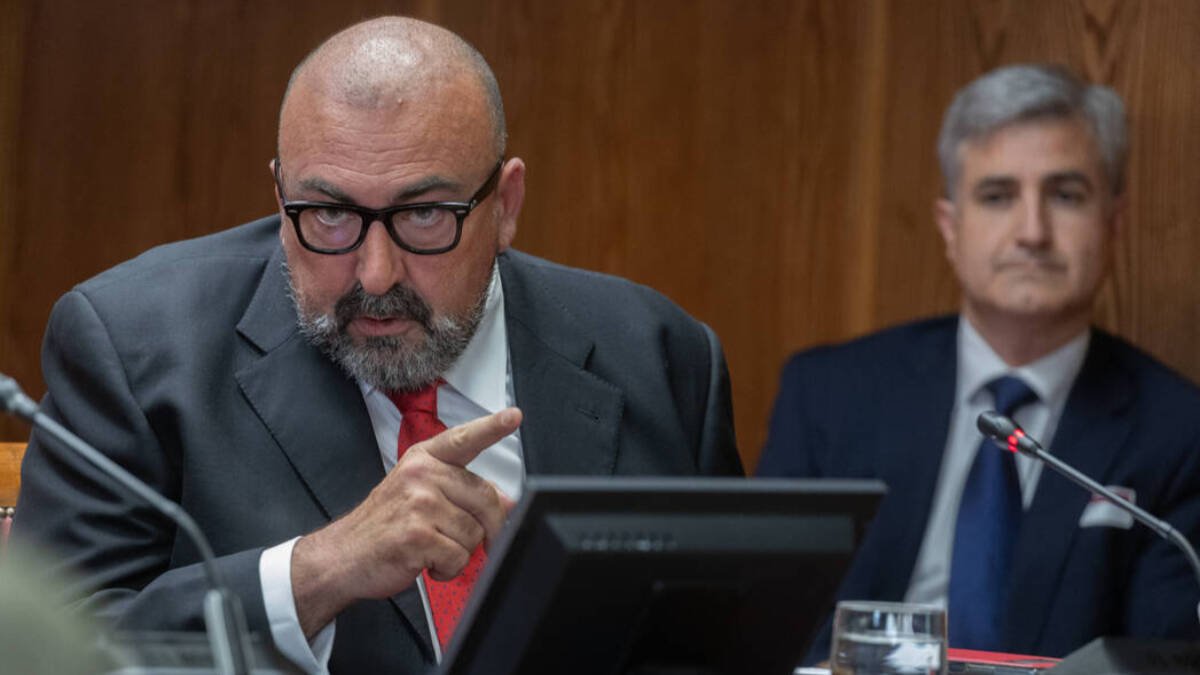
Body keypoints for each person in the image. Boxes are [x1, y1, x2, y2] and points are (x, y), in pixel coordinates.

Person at [12, 16, 741, 673]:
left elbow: (734, 634)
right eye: (328, 214)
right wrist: (320, 571)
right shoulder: (135, 348)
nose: (375, 272)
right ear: (279, 197)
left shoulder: (661, 356)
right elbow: (47, 651)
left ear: (506, 205)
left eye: (425, 214)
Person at [758, 63, 1200, 661]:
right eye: (998, 196)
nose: (1032, 232)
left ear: (1114, 224)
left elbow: (1157, 658)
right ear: (950, 227)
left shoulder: (1176, 431)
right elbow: (764, 624)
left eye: (1065, 195)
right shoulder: (830, 394)